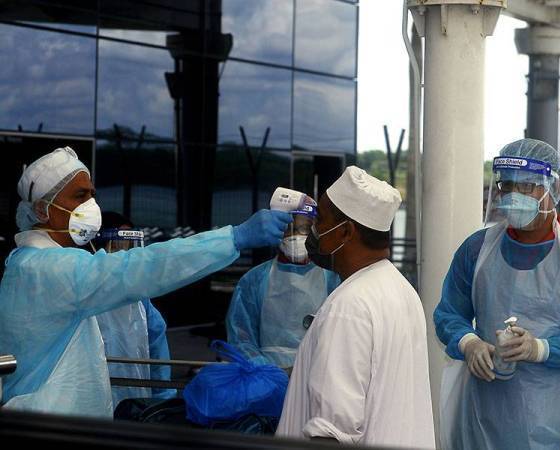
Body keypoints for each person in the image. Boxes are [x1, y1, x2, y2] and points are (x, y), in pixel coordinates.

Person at [0, 146, 292, 418]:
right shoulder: (46, 269)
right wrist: (233, 238)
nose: (91, 204)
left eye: (92, 194)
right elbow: (146, 265)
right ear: (42, 210)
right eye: (79, 196)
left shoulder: (35, 263)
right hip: (47, 424)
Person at [434, 138, 560, 449]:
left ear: (555, 188)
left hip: (559, 424)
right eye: (508, 186)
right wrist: (468, 342)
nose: (514, 196)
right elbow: (448, 312)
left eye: (527, 187)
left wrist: (542, 348)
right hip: (486, 420)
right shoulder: (477, 249)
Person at [276, 166, 435, 448]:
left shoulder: (349, 307)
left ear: (345, 232)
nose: (313, 231)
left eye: (320, 222)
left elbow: (332, 431)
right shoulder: (401, 289)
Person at [225, 194, 339, 368]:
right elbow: (241, 339)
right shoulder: (254, 280)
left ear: (315, 233)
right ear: (275, 231)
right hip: (267, 381)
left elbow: (340, 338)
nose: (295, 236)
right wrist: (266, 373)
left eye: (304, 229)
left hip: (317, 376)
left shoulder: (333, 280)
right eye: (288, 229)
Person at [91, 211, 175, 408]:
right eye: (121, 244)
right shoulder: (82, 292)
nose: (128, 253)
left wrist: (161, 401)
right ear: (98, 244)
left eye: (131, 245)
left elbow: (157, 349)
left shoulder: (139, 298)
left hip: (136, 397)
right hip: (90, 399)